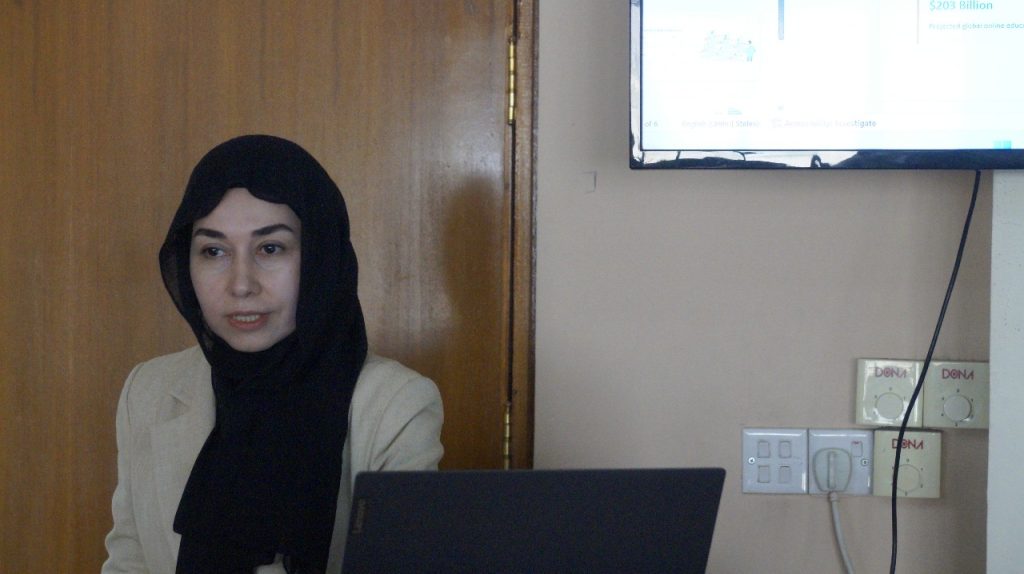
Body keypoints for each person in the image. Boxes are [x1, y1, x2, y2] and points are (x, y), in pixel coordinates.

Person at [101, 135, 444, 573]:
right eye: (213, 251)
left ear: (320, 256)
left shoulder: (395, 406)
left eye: (270, 248)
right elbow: (129, 561)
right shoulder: (148, 391)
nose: (241, 284)